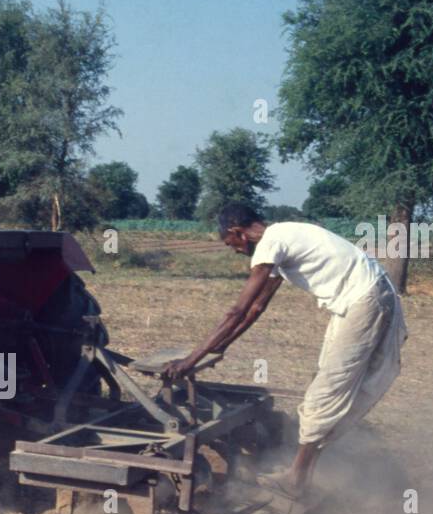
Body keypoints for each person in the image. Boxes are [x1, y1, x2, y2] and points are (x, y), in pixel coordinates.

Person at [163, 202, 408, 498]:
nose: (237, 252)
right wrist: (221, 347)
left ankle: (296, 479)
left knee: (325, 392)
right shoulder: (283, 238)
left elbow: (237, 310)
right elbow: (256, 308)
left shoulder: (270, 243)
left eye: (233, 245)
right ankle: (303, 469)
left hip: (364, 300)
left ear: (237, 232)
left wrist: (191, 360)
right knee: (325, 385)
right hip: (364, 298)